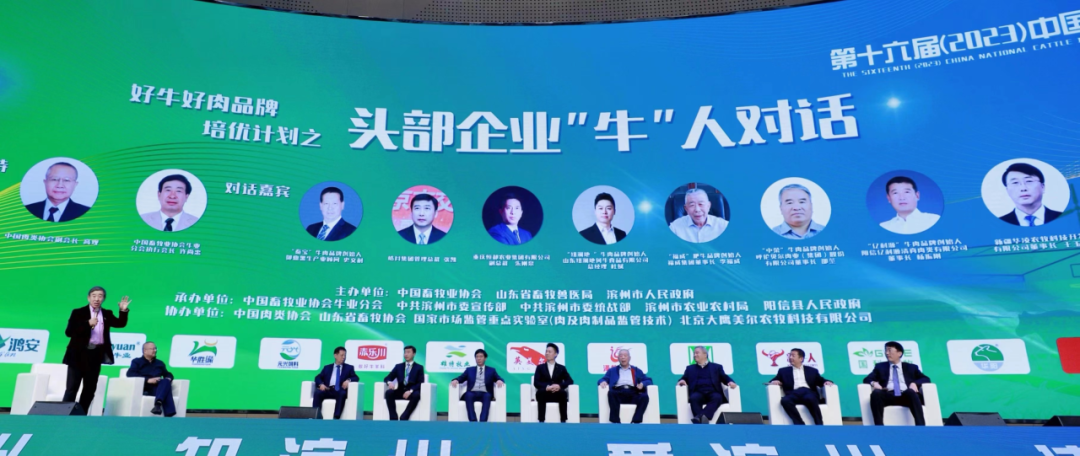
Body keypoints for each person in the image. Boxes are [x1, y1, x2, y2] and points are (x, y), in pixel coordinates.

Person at [63, 286, 130, 415]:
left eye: (100, 296)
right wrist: (87, 324)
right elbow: (69, 332)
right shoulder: (78, 312)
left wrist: (123, 310)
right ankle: (64, 416)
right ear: (88, 298)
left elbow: (120, 324)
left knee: (90, 389)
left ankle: (81, 415)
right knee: (72, 388)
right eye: (94, 296)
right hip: (78, 355)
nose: (97, 299)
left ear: (103, 298)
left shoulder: (107, 313)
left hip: (95, 355)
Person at [863, 341, 931, 426]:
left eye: (890, 350)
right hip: (888, 395)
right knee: (876, 393)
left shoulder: (911, 367)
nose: (887, 353)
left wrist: (914, 383)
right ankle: (879, 427)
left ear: (899, 353)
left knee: (911, 392)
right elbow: (867, 379)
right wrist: (874, 383)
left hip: (906, 396)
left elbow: (926, 379)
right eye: (886, 350)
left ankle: (921, 427)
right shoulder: (880, 367)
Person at [768, 348, 833, 425]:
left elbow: (820, 380)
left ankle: (819, 424)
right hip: (793, 393)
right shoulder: (783, 371)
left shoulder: (812, 370)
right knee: (785, 401)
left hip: (808, 392)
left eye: (793, 356)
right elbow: (773, 380)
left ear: (801, 358)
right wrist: (775, 381)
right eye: (790, 355)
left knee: (811, 399)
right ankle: (799, 424)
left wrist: (826, 382)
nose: (790, 357)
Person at [677, 346, 737, 424]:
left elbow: (724, 377)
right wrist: (682, 381)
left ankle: (699, 418)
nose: (695, 355)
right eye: (694, 353)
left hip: (712, 392)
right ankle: (702, 419)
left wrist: (730, 382)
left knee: (717, 397)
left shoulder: (716, 367)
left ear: (705, 354)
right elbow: (684, 378)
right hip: (698, 392)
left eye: (697, 353)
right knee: (694, 398)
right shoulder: (690, 369)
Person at [597, 349, 652, 424]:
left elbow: (648, 380)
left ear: (629, 358)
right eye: (621, 356)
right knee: (611, 393)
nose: (623, 357)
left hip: (633, 392)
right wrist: (602, 381)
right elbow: (602, 379)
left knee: (644, 397)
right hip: (618, 392)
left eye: (625, 355)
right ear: (618, 358)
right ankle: (615, 421)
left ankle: (636, 421)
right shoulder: (612, 370)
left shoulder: (636, 370)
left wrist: (642, 384)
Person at [450, 349, 505, 422]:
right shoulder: (469, 370)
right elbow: (461, 378)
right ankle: (473, 420)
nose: (478, 358)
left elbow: (499, 378)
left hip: (485, 393)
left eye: (481, 356)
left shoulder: (491, 370)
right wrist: (456, 380)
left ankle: (483, 421)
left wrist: (499, 380)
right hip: (472, 392)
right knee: (468, 395)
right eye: (477, 357)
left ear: (485, 358)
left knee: (487, 396)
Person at [25, 162, 91, 223]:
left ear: (75, 184)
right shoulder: (28, 209)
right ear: (45, 182)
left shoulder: (86, 213)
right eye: (54, 179)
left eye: (67, 180)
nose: (60, 185)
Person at [125, 341, 177, 417]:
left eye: (155, 348)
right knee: (166, 389)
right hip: (145, 387)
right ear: (145, 350)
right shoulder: (137, 361)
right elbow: (130, 374)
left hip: (158, 387)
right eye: (152, 349)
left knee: (165, 381)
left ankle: (158, 405)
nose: (155, 350)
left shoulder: (159, 363)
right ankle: (169, 413)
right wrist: (148, 380)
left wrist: (169, 378)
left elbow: (167, 374)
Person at [312, 346, 359, 419]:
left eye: (344, 355)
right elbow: (318, 377)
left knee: (342, 393)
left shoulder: (349, 368)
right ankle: (316, 416)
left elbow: (356, 377)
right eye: (341, 355)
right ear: (335, 355)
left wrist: (348, 380)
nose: (343, 357)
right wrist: (321, 384)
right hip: (327, 389)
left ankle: (336, 417)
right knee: (318, 393)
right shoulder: (327, 367)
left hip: (339, 390)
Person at [533, 343, 574, 422]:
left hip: (557, 393)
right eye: (546, 351)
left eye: (549, 352)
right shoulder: (540, 367)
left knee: (563, 393)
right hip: (545, 392)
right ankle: (541, 420)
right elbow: (536, 382)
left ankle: (563, 420)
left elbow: (570, 381)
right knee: (540, 393)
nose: (547, 353)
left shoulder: (561, 368)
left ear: (555, 354)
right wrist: (547, 387)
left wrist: (559, 386)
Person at [383, 345, 425, 420]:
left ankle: (405, 416)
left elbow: (420, 382)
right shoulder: (398, 366)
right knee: (389, 392)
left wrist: (410, 391)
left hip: (411, 392)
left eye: (408, 352)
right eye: (405, 352)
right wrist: (389, 382)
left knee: (416, 395)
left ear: (414, 354)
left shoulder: (419, 367)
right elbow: (387, 377)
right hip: (400, 391)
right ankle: (393, 417)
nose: (406, 354)